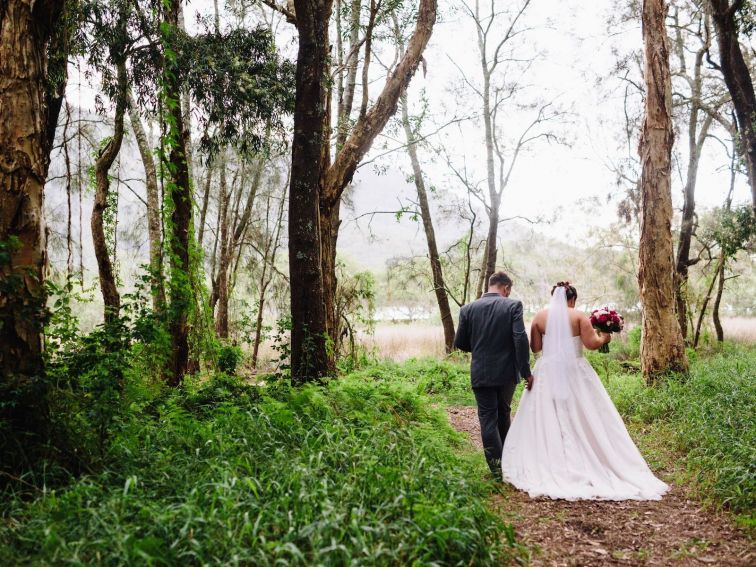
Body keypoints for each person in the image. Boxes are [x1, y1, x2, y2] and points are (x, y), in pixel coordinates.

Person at [501, 282, 669, 500]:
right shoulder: (579, 317)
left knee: (547, 414)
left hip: (548, 370)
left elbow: (535, 348)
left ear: (554, 297)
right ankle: (588, 457)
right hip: (575, 371)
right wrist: (605, 337)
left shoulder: (540, 317)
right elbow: (591, 344)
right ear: (573, 299)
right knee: (584, 413)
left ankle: (551, 458)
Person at [454, 271, 534, 479]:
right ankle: (509, 464)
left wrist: (481, 346)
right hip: (507, 372)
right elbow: (520, 338)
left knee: (487, 418)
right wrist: (525, 370)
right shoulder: (513, 306)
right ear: (505, 288)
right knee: (503, 413)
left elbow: (460, 343)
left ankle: (498, 471)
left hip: (480, 372)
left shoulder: (467, 309)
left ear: (490, 285)